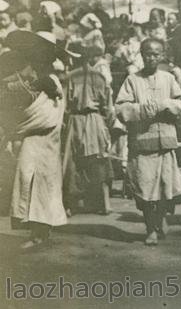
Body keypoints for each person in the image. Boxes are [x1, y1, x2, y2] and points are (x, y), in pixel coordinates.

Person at [115, 38, 181, 246]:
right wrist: (142, 110)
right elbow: (120, 107)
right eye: (147, 53)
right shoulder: (132, 80)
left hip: (164, 141)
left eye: (156, 54)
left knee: (166, 187)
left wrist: (168, 105)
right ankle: (150, 229)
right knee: (144, 188)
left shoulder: (168, 78)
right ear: (141, 54)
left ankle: (161, 217)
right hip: (142, 144)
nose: (152, 57)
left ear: (163, 55)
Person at [7, 31, 67, 248]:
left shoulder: (50, 79)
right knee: (27, 177)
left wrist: (19, 126)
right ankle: (37, 229)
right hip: (31, 136)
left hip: (44, 135)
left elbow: (50, 112)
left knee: (43, 180)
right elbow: (13, 89)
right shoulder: (30, 72)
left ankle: (40, 232)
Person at [64, 43, 115, 215]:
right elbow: (108, 106)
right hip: (96, 119)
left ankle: (72, 204)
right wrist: (107, 124)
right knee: (98, 160)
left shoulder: (70, 77)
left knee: (72, 162)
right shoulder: (100, 77)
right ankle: (104, 203)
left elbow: (65, 105)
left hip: (76, 119)